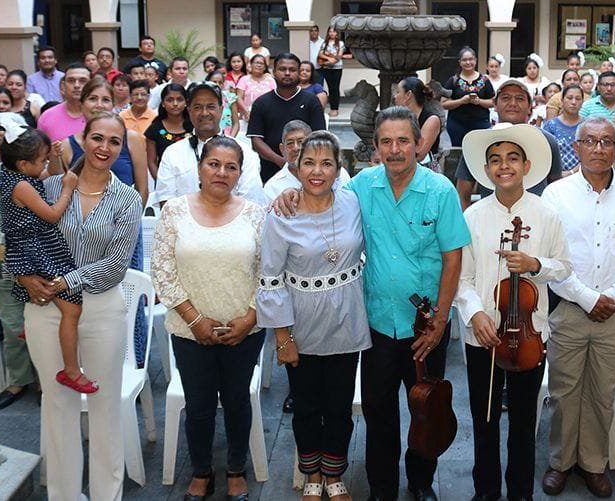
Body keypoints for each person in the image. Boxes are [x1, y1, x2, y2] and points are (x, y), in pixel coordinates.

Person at [272, 106, 471, 501]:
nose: (395, 149)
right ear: (375, 148)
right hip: (376, 322)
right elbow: (321, 194)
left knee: (425, 407)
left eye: (403, 141)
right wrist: (291, 191)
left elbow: (453, 258)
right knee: (379, 412)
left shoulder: (441, 191)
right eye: (386, 142)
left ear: (418, 144)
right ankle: (382, 486)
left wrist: (442, 318)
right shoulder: (362, 187)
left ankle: (420, 482)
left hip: (425, 325)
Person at [18, 112, 142, 501]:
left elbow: (115, 266)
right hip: (45, 310)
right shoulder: (48, 187)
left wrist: (64, 281)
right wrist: (25, 277)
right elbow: (18, 241)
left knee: (106, 410)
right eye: (97, 138)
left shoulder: (128, 198)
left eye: (114, 141)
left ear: (121, 148)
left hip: (101, 310)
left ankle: (108, 496)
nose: (104, 148)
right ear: (82, 140)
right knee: (58, 408)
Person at [540, 117, 615, 497]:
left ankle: (593, 463)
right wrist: (588, 298)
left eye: (606, 141)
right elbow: (549, 256)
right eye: (589, 141)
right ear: (576, 148)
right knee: (563, 390)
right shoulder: (556, 194)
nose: (598, 148)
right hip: (570, 306)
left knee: (602, 391)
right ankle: (560, 461)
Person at [456, 124, 572, 501]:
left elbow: (564, 267)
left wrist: (536, 263)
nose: (503, 166)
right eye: (495, 160)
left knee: (524, 421)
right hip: (483, 334)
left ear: (526, 165)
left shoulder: (546, 214)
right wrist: (476, 314)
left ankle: (521, 492)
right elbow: (463, 278)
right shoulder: (473, 216)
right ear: (486, 170)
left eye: (511, 159)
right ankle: (486, 491)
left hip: (528, 337)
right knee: (484, 418)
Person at [153, 135, 264, 501]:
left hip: (243, 330)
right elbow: (162, 270)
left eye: (231, 166)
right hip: (189, 331)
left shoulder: (254, 213)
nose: (221, 172)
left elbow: (269, 273)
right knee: (199, 406)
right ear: (200, 168)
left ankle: (235, 469)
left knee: (237, 400)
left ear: (240, 174)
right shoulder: (174, 211)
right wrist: (194, 320)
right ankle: (201, 471)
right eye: (214, 164)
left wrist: (249, 317)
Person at [259, 131, 369, 501]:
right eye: (309, 162)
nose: (317, 171)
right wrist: (282, 338)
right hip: (301, 324)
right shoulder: (281, 214)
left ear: (339, 170)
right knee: (306, 406)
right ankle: (312, 476)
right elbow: (271, 279)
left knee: (339, 405)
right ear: (296, 166)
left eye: (326, 163)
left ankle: (335, 473)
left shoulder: (354, 203)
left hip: (347, 319)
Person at [0, 124, 91, 391]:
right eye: (41, 160)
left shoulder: (12, 175)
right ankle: (71, 370)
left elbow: (50, 174)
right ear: (24, 164)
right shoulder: (23, 186)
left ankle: (31, 329)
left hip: (30, 247)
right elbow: (51, 214)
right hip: (36, 249)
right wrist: (68, 189)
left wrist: (56, 158)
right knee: (72, 308)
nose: (45, 164)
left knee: (49, 294)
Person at [0, 113, 35, 408]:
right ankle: (17, 381)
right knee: (12, 323)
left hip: (34, 260)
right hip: (1, 260)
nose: (4, 145)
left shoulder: (36, 173)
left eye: (10, 139)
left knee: (39, 324)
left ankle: (43, 380)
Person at [455, 79, 563, 210]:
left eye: (520, 98)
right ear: (494, 104)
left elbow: (556, 190)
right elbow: (462, 194)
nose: (513, 103)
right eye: (506, 98)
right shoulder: (478, 142)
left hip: (536, 222)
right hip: (489, 222)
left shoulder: (547, 141)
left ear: (530, 106)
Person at [157, 82, 265, 207]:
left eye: (211, 106)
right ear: (189, 111)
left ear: (221, 109)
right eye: (197, 107)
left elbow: (251, 204)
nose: (204, 113)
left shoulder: (245, 153)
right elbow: (167, 204)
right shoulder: (173, 153)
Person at [56, 75, 149, 208]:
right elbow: (60, 191)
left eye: (105, 100)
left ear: (113, 105)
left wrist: (129, 221)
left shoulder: (132, 139)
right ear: (82, 104)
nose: (99, 105)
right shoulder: (67, 146)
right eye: (93, 99)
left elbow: (142, 190)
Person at [247, 53, 326, 183]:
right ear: (274, 72)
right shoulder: (261, 103)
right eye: (282, 69)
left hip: (307, 171)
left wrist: (302, 161)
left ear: (299, 72)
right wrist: (281, 161)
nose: (287, 73)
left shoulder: (312, 101)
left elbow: (319, 136)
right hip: (270, 170)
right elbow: (256, 140)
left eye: (292, 70)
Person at [262, 120, 351, 203]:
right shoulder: (273, 187)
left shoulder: (338, 173)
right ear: (282, 149)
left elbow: (347, 204)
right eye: (290, 143)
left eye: (301, 142)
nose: (296, 148)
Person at [440, 46, 495, 147]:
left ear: (476, 60)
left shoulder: (485, 80)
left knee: (480, 151)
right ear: (460, 62)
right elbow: (444, 103)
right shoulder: (453, 81)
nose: (468, 62)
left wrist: (479, 101)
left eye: (471, 59)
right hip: (457, 124)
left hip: (480, 123)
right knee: (458, 152)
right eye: (464, 60)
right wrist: (461, 101)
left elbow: (493, 102)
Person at [393, 76, 443, 173]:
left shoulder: (431, 119)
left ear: (408, 95)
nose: (395, 96)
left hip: (424, 172)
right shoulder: (401, 117)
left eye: (398, 92)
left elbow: (419, 154)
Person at [145, 83, 192, 181]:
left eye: (179, 99)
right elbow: (151, 162)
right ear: (163, 103)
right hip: (165, 180)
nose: (175, 103)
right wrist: (161, 183)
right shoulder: (155, 129)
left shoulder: (194, 126)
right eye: (170, 100)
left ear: (186, 102)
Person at [37, 63, 92, 142]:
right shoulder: (46, 117)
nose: (77, 85)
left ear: (92, 85)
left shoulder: (100, 116)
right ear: (63, 86)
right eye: (71, 81)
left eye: (82, 81)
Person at [542, 84, 584, 173]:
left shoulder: (587, 126)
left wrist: (571, 172)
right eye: (569, 98)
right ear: (562, 100)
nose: (573, 102)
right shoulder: (550, 126)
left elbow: (590, 156)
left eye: (578, 99)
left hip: (581, 176)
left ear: (582, 102)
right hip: (555, 177)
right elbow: (544, 154)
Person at [317, 26, 350, 117]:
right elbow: (320, 54)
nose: (332, 33)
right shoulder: (325, 43)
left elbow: (339, 56)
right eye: (330, 32)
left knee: (335, 88)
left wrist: (333, 60)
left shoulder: (340, 43)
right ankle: (331, 107)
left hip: (337, 68)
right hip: (327, 68)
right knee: (330, 88)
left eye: (334, 32)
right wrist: (329, 60)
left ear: (337, 33)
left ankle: (335, 108)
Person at [236, 53, 276, 120]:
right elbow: (238, 97)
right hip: (248, 116)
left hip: (267, 115)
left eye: (261, 63)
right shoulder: (244, 79)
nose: (259, 65)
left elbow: (275, 97)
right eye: (256, 63)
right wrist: (246, 111)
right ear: (251, 65)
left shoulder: (271, 80)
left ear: (265, 67)